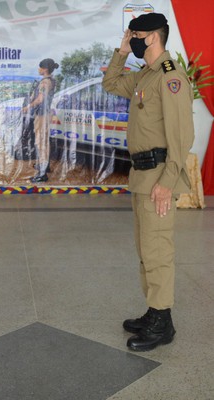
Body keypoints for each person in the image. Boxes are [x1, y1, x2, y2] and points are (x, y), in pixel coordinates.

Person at [103, 13, 194, 351]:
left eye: (137, 35)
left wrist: (167, 182)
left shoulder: (171, 78)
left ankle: (163, 322)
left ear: (153, 37)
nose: (134, 39)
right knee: (146, 250)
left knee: (158, 250)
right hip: (141, 176)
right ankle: (153, 311)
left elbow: (182, 136)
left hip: (158, 176)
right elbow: (110, 83)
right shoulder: (145, 76)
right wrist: (122, 50)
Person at [22, 58, 58, 182]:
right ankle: (44, 166)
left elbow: (40, 99)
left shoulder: (45, 83)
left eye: (40, 67)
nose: (38, 69)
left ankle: (42, 174)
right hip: (45, 114)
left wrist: (28, 107)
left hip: (42, 115)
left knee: (41, 142)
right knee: (43, 141)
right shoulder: (50, 81)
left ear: (45, 69)